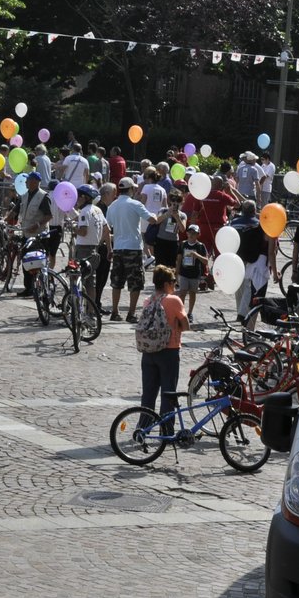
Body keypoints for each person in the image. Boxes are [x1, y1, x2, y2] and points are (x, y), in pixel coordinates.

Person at [137, 267, 190, 428]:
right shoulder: (173, 300)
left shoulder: (148, 301)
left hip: (149, 351)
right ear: (167, 283)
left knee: (148, 394)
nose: (175, 284)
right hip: (169, 351)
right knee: (168, 393)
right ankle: (166, 431)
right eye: (174, 281)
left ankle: (143, 429)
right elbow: (186, 325)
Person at [106, 177, 151, 322]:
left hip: (119, 247)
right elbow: (151, 219)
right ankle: (131, 313)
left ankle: (114, 311)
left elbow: (108, 227)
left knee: (117, 282)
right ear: (131, 189)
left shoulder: (112, 206)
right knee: (135, 283)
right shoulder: (135, 204)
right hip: (133, 247)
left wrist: (109, 247)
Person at [14, 174, 55, 295]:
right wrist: (6, 218)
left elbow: (49, 215)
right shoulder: (25, 195)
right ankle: (29, 288)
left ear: (35, 182)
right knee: (26, 260)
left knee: (38, 262)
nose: (26, 183)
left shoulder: (43, 196)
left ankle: (40, 287)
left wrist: (37, 225)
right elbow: (16, 209)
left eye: (28, 181)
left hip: (39, 235)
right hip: (26, 234)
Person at [70, 185, 109, 309]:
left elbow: (83, 231)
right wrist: (108, 247)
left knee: (77, 279)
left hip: (83, 249)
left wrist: (73, 228)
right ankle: (91, 311)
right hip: (94, 248)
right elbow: (106, 229)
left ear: (84, 197)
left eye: (79, 197)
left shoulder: (84, 212)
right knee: (91, 281)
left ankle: (77, 310)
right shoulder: (97, 210)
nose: (77, 200)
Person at [176, 225, 210, 313]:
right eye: (189, 232)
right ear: (187, 233)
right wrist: (177, 271)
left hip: (195, 274)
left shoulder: (201, 246)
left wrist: (197, 255)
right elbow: (179, 258)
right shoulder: (183, 244)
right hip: (184, 273)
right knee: (182, 293)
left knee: (192, 293)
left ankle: (190, 312)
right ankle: (181, 312)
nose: (191, 235)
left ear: (198, 234)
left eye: (194, 233)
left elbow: (206, 261)